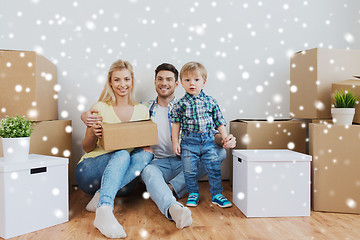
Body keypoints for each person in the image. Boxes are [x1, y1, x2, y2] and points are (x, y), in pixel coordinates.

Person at [81, 63, 236, 230]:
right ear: (154, 83)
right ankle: (172, 207)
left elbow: (210, 135)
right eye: (160, 79)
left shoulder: (188, 106)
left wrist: (225, 140)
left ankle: (171, 188)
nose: (164, 83)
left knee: (218, 152)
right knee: (147, 170)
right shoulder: (143, 109)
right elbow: (121, 124)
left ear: (177, 84)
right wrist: (85, 116)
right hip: (156, 163)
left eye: (169, 79)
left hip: (184, 161)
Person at [76, 59, 154, 239]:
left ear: (132, 81)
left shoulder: (142, 111)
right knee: (121, 154)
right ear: (110, 82)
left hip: (123, 182)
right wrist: (93, 134)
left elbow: (144, 146)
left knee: (147, 154)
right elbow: (87, 148)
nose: (122, 84)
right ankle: (104, 209)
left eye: (126, 79)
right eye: (117, 80)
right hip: (90, 170)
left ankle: (99, 197)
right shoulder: (99, 107)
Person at [170, 62, 232, 209]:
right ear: (181, 84)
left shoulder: (210, 101)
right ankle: (193, 193)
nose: (192, 83)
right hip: (189, 143)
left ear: (203, 82)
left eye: (196, 80)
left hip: (208, 141)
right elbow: (176, 124)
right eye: (187, 80)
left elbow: (219, 121)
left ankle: (217, 194)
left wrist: (224, 137)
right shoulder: (180, 104)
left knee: (214, 168)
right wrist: (175, 142)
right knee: (189, 170)